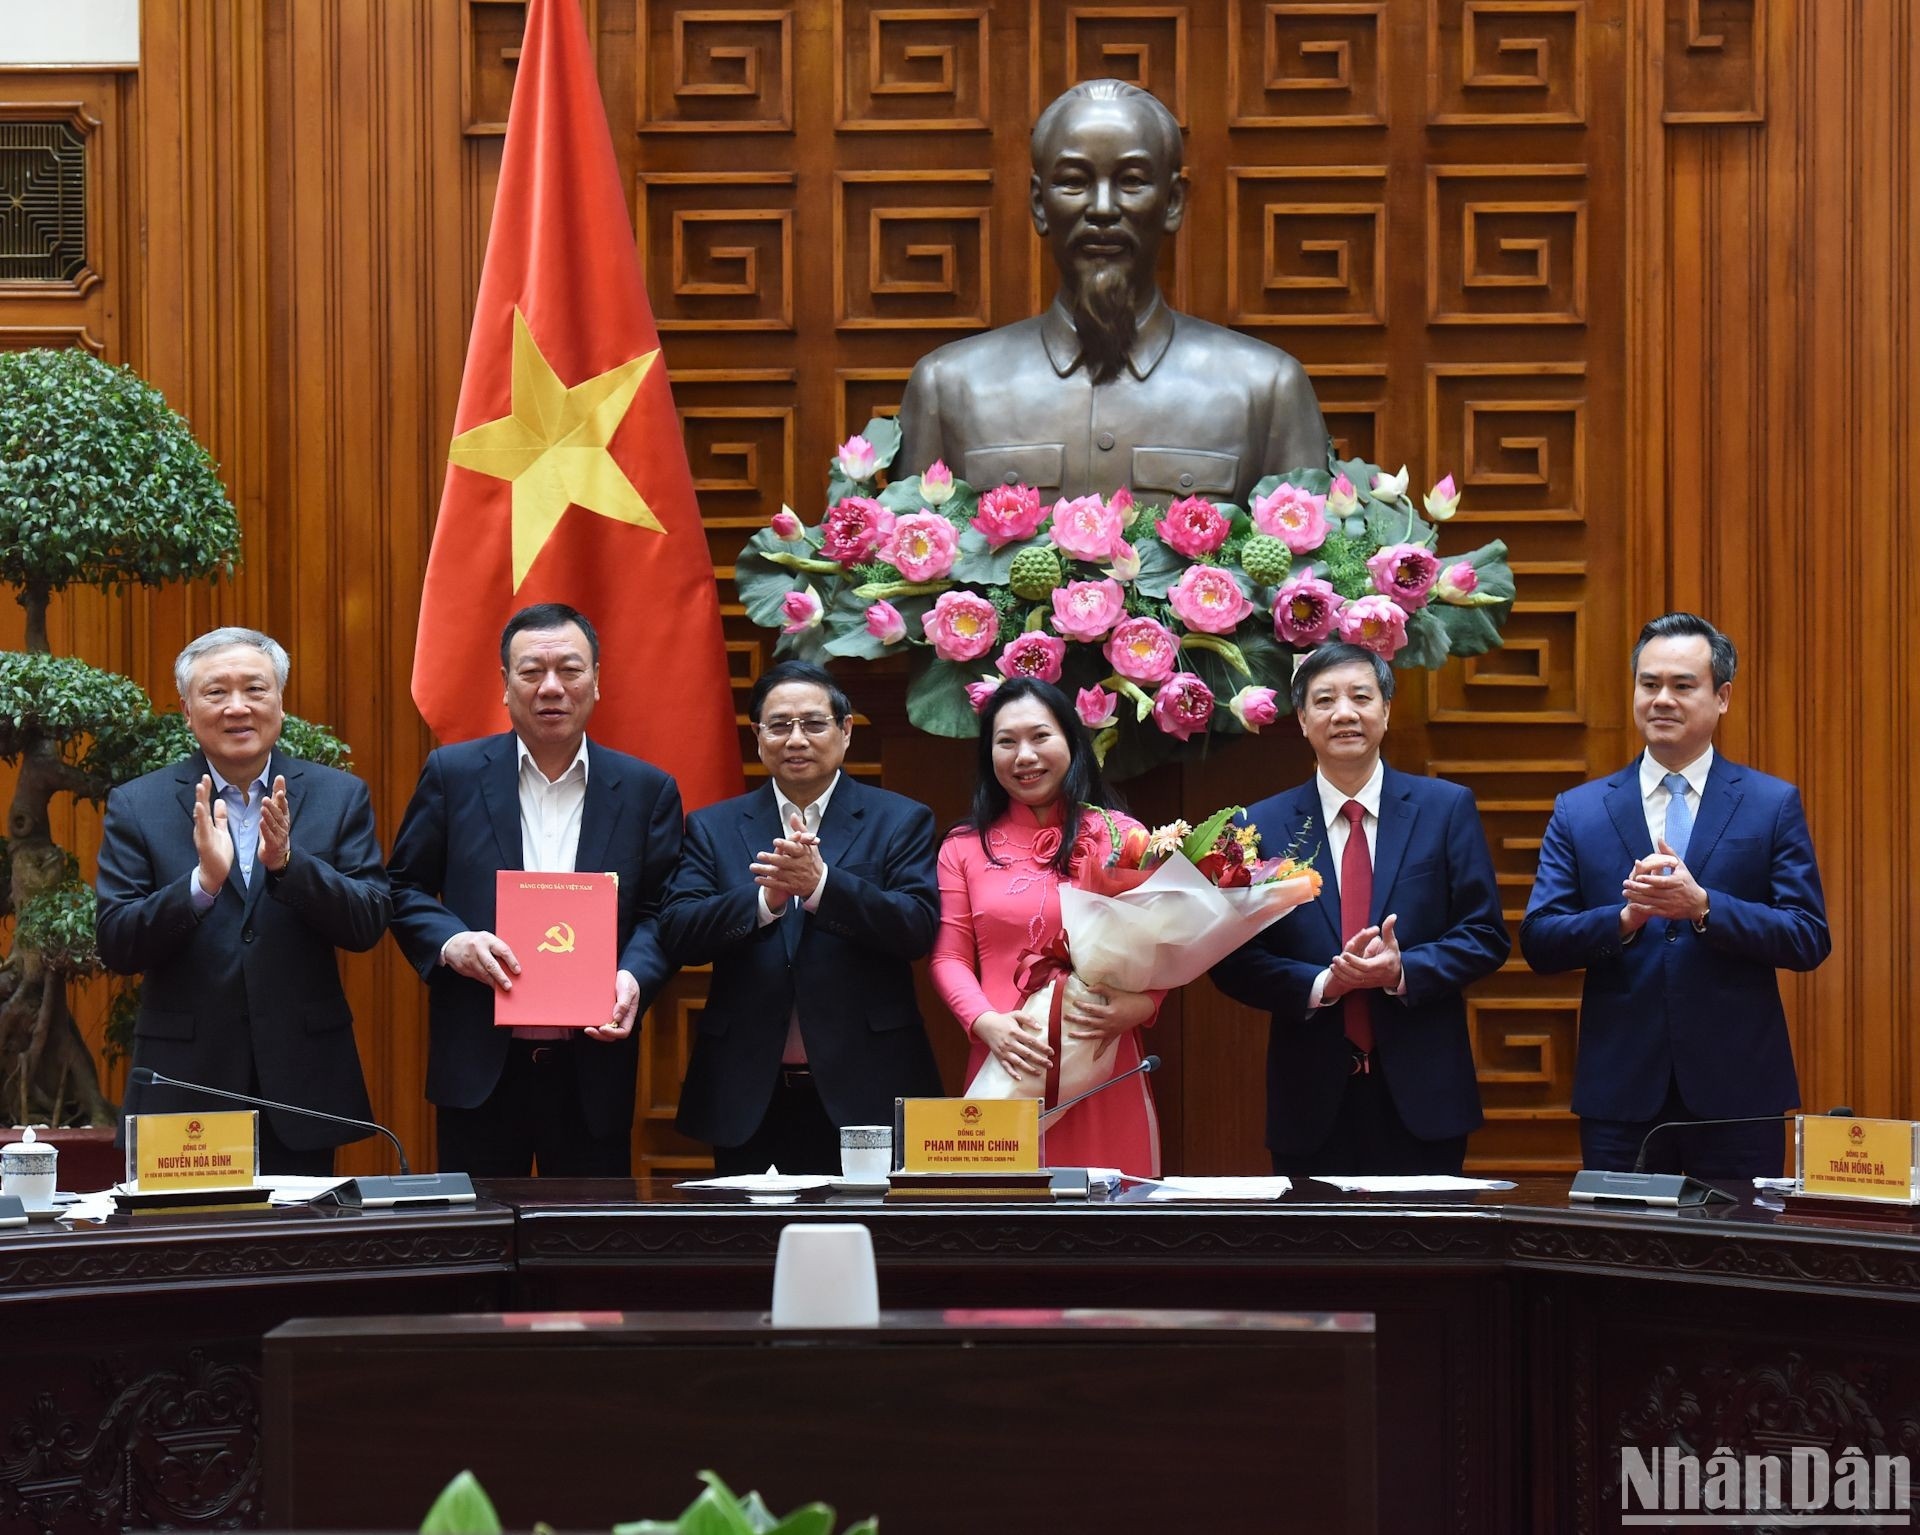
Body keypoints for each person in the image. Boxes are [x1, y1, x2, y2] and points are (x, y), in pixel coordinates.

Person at [896, 79, 1327, 507]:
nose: (1102, 208)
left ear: (1173, 202)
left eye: (1132, 180)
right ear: (1039, 204)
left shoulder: (1266, 389)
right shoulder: (949, 387)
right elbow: (895, 566)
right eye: (1074, 181)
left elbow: (1313, 568)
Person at [1521, 614, 1830, 1179]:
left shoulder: (1770, 803)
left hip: (1737, 1097)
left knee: (1739, 1258)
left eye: (1683, 685)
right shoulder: (1581, 809)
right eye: (1649, 684)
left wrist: (1704, 907)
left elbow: (1808, 937)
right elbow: (1540, 940)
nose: (1662, 699)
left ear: (1722, 697)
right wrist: (1623, 918)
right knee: (1626, 1260)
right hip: (1621, 1097)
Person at [386, 602, 682, 1177]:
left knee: (589, 1247)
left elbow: (662, 909)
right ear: (504, 685)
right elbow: (403, 886)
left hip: (593, 1064)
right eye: (531, 672)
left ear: (597, 681)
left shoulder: (647, 789)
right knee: (476, 1244)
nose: (551, 687)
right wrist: (451, 944)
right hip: (479, 1060)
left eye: (570, 670)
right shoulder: (453, 774)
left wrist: (634, 976)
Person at [96, 627, 389, 1176]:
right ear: (187, 710)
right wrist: (201, 886)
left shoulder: (338, 795)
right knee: (191, 1255)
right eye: (215, 693)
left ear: (280, 701)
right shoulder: (139, 804)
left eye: (255, 689)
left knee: (299, 1254)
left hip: (300, 1080)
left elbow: (368, 921)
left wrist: (290, 866)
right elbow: (117, 941)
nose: (237, 708)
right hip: (185, 1079)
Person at [1211, 643, 1508, 1176]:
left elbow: (1485, 935)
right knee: (1312, 1258)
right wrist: (1323, 984)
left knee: (1426, 1256)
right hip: (1310, 1098)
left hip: (1425, 1095)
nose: (1343, 713)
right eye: (1324, 700)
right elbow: (1233, 961)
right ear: (1302, 720)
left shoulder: (1445, 809)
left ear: (1386, 711)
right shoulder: (1258, 826)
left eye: (1360, 697)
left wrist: (1403, 971)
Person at [661, 660, 943, 1174]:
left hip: (867, 1086)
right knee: (749, 1249)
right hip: (748, 1089)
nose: (796, 739)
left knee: (869, 1247)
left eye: (814, 724)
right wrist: (763, 902)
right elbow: (679, 931)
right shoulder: (713, 826)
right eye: (779, 725)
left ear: (846, 730)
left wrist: (822, 888)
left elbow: (915, 926)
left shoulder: (900, 819)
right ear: (758, 735)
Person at [931, 678, 1160, 1176]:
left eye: (1040, 737)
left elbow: (1164, 945)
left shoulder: (1123, 835)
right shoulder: (962, 847)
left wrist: (1145, 1005)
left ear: (1072, 742)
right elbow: (948, 957)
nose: (1024, 756)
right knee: (1003, 1231)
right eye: (1006, 742)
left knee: (1110, 1229)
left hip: (1101, 1056)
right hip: (1006, 1058)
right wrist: (984, 1023)